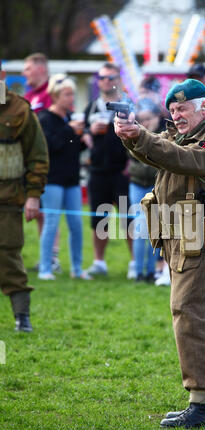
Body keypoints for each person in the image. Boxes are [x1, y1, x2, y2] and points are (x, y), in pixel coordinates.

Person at [114, 78, 205, 429]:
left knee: (190, 312)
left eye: (182, 108)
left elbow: (185, 160)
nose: (175, 115)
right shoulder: (180, 137)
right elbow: (160, 155)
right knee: (201, 314)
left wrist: (141, 135)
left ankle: (201, 402)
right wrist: (131, 136)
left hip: (197, 235)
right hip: (180, 235)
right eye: (171, 109)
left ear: (204, 108)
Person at [0, 83, 49, 331]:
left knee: (8, 256)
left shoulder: (19, 110)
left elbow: (37, 156)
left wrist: (33, 195)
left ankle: (22, 317)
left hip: (8, 198)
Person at [82, 63, 134, 279]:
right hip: (98, 171)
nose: (105, 81)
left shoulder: (128, 105)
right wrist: (88, 132)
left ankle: (134, 263)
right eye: (101, 78)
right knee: (100, 219)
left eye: (110, 77)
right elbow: (81, 134)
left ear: (118, 79)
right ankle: (99, 262)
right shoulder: (92, 107)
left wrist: (132, 163)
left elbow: (142, 133)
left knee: (127, 219)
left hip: (122, 171)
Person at [38, 74, 91, 280]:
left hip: (72, 180)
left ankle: (77, 269)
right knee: (52, 223)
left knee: (76, 224)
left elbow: (73, 149)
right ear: (55, 96)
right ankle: (45, 268)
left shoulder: (69, 120)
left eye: (72, 94)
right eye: (67, 94)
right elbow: (50, 147)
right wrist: (69, 130)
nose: (71, 98)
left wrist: (86, 137)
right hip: (53, 180)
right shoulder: (45, 118)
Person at [22, 53, 61, 273]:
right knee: (36, 210)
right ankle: (45, 254)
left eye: (28, 69)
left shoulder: (52, 93)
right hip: (28, 161)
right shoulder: (28, 96)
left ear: (40, 69)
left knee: (47, 211)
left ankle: (52, 257)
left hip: (49, 163)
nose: (24, 73)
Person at [129, 98, 162, 282]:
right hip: (136, 183)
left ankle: (151, 271)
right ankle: (138, 271)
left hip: (155, 185)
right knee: (140, 227)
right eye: (142, 119)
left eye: (149, 118)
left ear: (158, 117)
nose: (146, 123)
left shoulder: (164, 135)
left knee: (154, 228)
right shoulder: (136, 133)